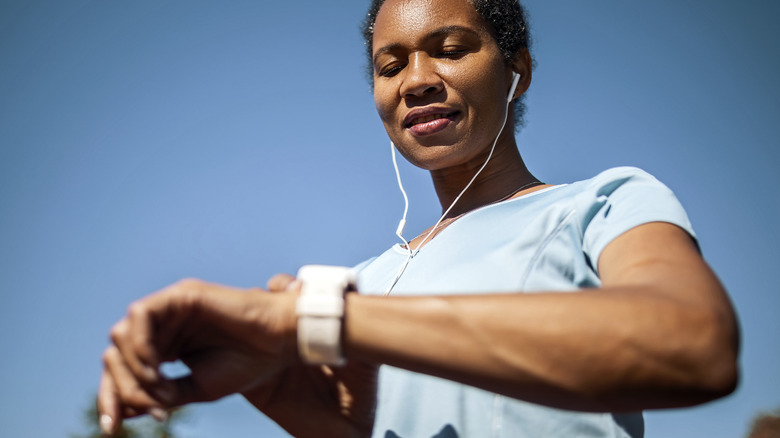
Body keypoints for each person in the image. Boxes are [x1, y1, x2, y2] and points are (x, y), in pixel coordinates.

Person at [98, 0, 740, 437]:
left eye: (451, 49)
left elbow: (694, 346)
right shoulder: (360, 283)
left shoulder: (603, 206)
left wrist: (330, 320)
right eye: (391, 64)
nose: (417, 80)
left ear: (516, 73)